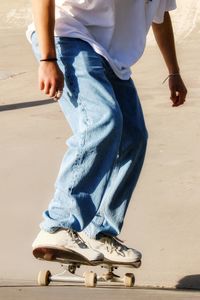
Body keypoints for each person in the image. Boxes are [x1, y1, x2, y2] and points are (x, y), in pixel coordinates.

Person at [27, 0, 187, 264]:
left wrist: (174, 72)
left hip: (111, 57)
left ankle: (99, 231)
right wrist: (47, 58)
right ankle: (58, 224)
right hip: (66, 37)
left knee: (134, 138)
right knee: (102, 120)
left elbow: (161, 17)